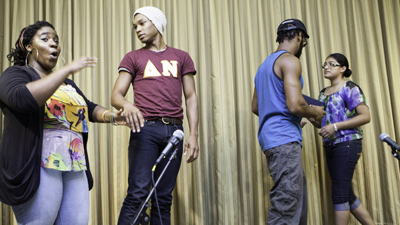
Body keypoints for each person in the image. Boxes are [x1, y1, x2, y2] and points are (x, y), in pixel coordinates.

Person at [0, 21, 126, 225]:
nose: (54, 44)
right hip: (39, 164)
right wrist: (65, 71)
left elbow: (88, 107)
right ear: (29, 46)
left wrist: (113, 117)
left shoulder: (67, 84)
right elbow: (22, 99)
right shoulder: (15, 75)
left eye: (56, 41)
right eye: (45, 39)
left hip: (74, 163)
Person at [111, 6, 199, 225]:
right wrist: (127, 105)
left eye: (142, 23)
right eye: (135, 26)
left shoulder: (181, 57)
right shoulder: (133, 57)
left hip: (175, 132)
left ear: (157, 23)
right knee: (138, 194)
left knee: (163, 198)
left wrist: (193, 134)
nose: (138, 30)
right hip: (145, 130)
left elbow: (191, 97)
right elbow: (116, 95)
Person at [251, 18, 325, 224]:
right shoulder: (290, 61)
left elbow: (256, 107)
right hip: (284, 139)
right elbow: (295, 105)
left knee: (296, 204)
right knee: (286, 204)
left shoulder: (263, 66)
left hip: (271, 138)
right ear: (300, 37)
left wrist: (292, 115)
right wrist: (315, 113)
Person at [315, 53, 375, 225]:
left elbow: (365, 116)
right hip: (330, 146)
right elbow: (322, 124)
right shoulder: (322, 93)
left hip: (348, 143)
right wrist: (309, 118)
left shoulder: (350, 87)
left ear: (343, 69)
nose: (326, 67)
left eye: (332, 64)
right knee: (347, 193)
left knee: (339, 194)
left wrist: (335, 126)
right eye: (325, 64)